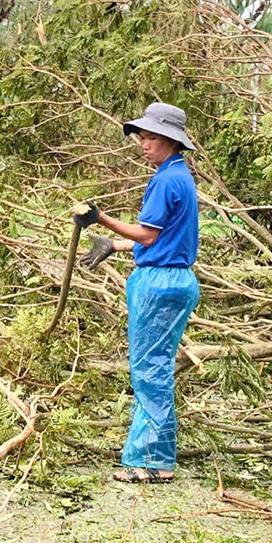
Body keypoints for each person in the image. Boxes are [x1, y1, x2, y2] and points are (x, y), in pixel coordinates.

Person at [79, 101, 203, 483]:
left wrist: (100, 218)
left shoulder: (166, 180)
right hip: (173, 278)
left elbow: (148, 235)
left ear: (169, 140)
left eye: (150, 138)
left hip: (160, 284)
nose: (143, 144)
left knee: (150, 372)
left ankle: (153, 462)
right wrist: (113, 247)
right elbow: (166, 240)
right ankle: (154, 455)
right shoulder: (178, 175)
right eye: (141, 138)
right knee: (154, 369)